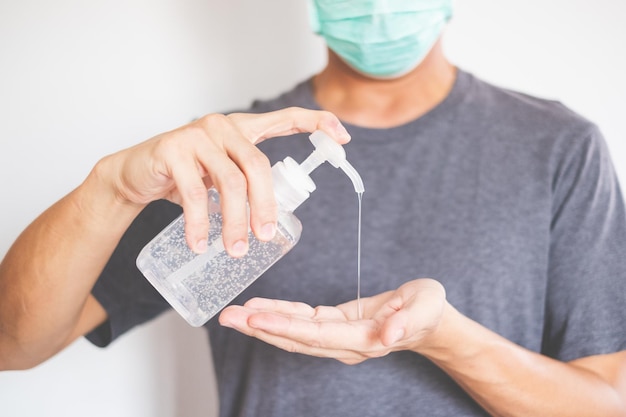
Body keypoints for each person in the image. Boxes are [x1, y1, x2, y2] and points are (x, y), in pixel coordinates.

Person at [1, 1, 625, 416]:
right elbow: (13, 343)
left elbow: (605, 405)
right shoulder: (226, 156)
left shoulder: (556, 148)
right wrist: (111, 186)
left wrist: (444, 339)